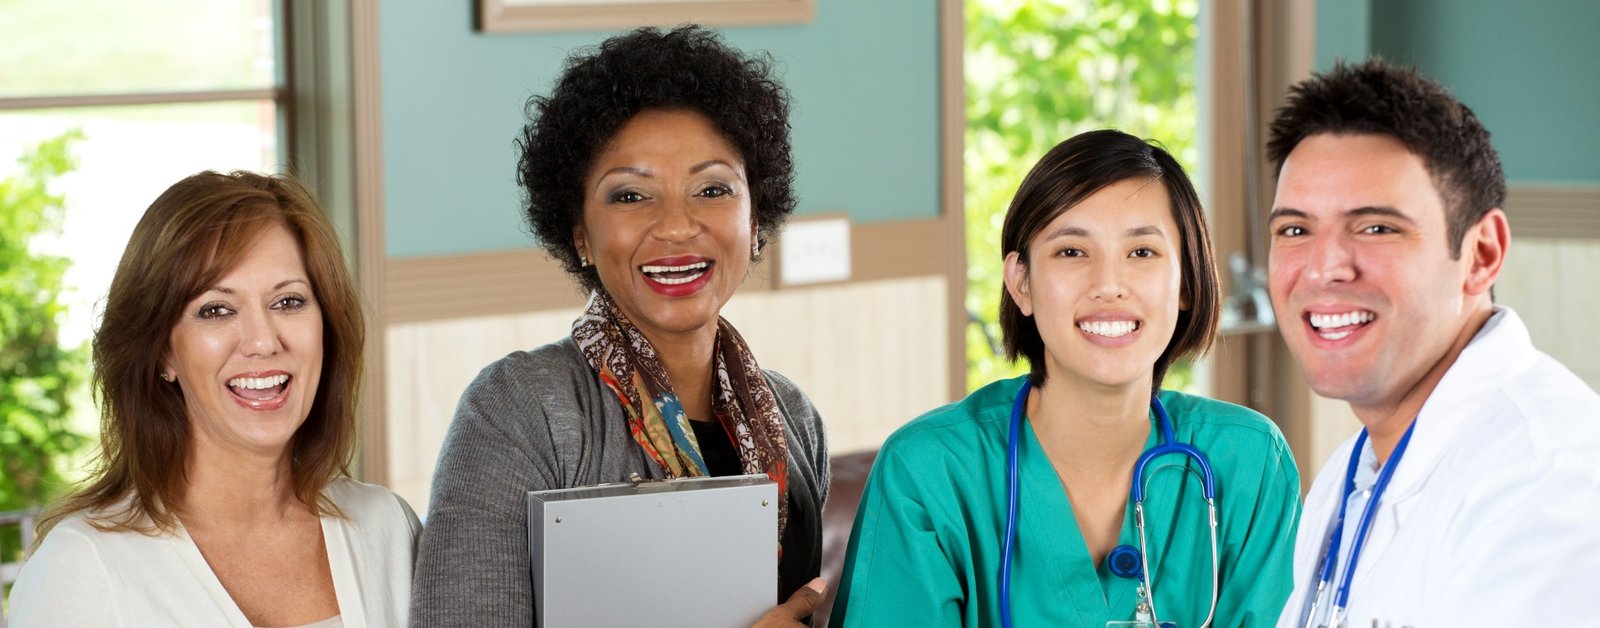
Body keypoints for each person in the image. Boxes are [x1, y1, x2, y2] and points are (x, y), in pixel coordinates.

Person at [410, 26, 829, 626]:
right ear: (579, 232)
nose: (677, 226)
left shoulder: (795, 419)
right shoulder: (518, 410)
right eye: (631, 196)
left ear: (756, 218)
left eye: (712, 189)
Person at [830, 130, 1300, 627]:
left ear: (1187, 281)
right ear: (1021, 283)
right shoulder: (927, 472)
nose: (1109, 285)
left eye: (1142, 252)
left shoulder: (1249, 461)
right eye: (1072, 252)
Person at [1267, 59, 1600, 627]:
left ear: (1482, 254)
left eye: (1377, 227)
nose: (1323, 268)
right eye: (1295, 230)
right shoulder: (1350, 475)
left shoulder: (1549, 483)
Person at [6, 171, 420, 626]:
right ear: (162, 351)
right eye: (216, 310)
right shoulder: (81, 569)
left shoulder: (388, 530)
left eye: (288, 302)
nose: (263, 341)